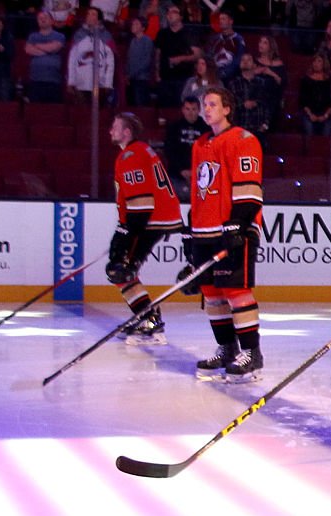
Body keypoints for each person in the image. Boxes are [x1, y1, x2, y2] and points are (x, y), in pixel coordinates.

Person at [188, 87, 266, 383]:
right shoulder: (199, 145)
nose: (206, 109)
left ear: (227, 108)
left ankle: (252, 354)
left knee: (235, 291)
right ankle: (227, 349)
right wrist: (190, 231)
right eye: (203, 104)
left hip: (232, 228)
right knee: (211, 293)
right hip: (204, 231)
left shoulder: (244, 140)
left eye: (212, 104)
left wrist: (238, 223)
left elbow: (249, 187)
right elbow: (198, 191)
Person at [107, 112, 184, 346]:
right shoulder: (139, 151)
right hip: (156, 218)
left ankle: (150, 321)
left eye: (115, 126)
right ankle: (148, 317)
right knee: (123, 269)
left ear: (127, 132)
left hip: (151, 220)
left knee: (120, 269)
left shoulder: (131, 155)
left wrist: (126, 233)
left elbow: (141, 204)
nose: (111, 131)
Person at [164, 95, 210, 201]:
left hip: (200, 176)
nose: (190, 112)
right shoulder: (174, 127)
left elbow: (208, 153)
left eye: (194, 109)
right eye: (187, 109)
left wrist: (195, 171)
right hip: (177, 174)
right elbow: (169, 151)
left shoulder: (206, 129)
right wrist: (181, 169)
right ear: (183, 110)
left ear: (199, 110)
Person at [25, 11, 66, 103]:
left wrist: (36, 46)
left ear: (52, 21)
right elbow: (28, 50)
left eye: (45, 17)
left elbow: (54, 48)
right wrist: (47, 49)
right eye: (40, 18)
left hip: (53, 80)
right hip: (35, 80)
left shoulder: (59, 36)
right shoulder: (32, 36)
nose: (42, 19)